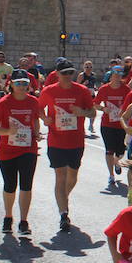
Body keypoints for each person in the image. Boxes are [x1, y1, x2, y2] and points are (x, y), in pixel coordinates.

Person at [40, 59, 96, 232]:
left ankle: (62, 197)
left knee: (73, 177)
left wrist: (82, 112)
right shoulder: (48, 91)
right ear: (56, 74)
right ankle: (64, 213)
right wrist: (45, 119)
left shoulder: (82, 91)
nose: (67, 76)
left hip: (76, 141)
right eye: (64, 73)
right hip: (56, 140)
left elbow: (93, 112)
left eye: (70, 73)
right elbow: (38, 108)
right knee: (60, 176)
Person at [0, 70, 41, 236]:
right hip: (7, 151)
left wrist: (37, 133)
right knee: (10, 186)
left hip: (28, 149)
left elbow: (35, 119)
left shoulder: (33, 101)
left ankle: (24, 221)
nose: (22, 87)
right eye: (19, 83)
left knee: (26, 185)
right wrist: (8, 131)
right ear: (11, 84)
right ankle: (8, 217)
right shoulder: (3, 103)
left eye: (25, 83)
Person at [95, 66, 131, 187]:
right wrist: (103, 108)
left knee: (120, 152)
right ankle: (111, 175)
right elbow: (95, 104)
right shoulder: (104, 89)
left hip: (121, 125)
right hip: (107, 125)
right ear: (111, 75)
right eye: (115, 74)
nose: (117, 77)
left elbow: (131, 105)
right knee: (109, 150)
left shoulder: (126, 90)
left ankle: (117, 162)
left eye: (120, 75)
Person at [77, 60, 100, 133]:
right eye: (87, 66)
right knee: (83, 111)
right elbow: (77, 86)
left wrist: (95, 87)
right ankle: (82, 128)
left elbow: (93, 84)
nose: (89, 68)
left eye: (90, 67)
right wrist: (83, 84)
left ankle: (91, 125)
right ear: (84, 67)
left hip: (91, 94)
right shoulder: (81, 75)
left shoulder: (93, 75)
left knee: (93, 110)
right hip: (83, 95)